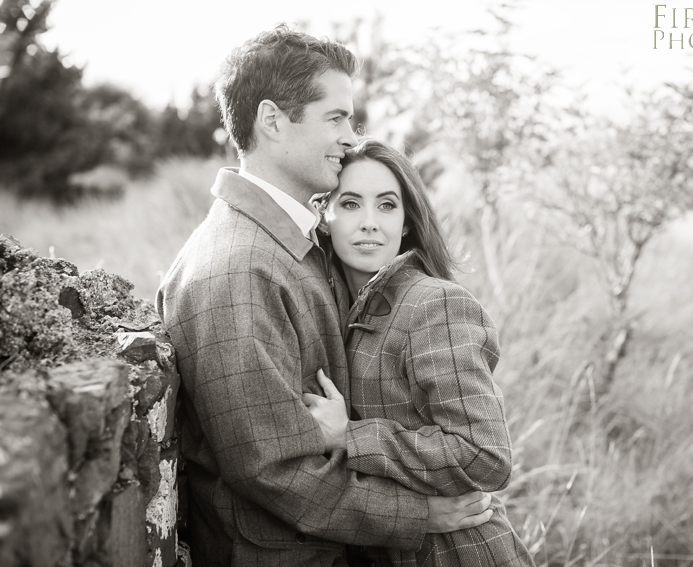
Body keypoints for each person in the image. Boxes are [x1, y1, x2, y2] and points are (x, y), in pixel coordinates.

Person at [156, 25, 493, 567]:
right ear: (272, 120)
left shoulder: (291, 241)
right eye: (335, 117)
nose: (349, 135)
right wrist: (417, 516)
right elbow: (274, 467)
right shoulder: (238, 268)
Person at [304, 139, 535, 567]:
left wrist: (349, 436)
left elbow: (486, 455)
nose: (370, 223)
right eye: (351, 204)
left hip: (460, 553)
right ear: (324, 216)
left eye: (387, 205)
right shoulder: (338, 310)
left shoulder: (434, 304)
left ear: (407, 222)